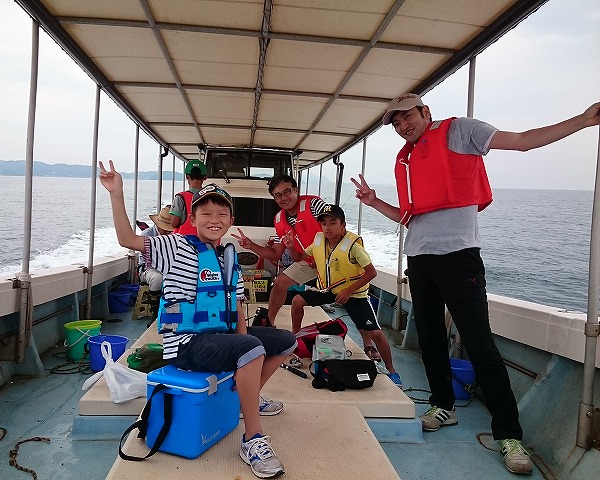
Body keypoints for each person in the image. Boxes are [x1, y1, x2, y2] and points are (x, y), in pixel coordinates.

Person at [351, 93, 600, 475]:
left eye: (407, 117)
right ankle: (443, 405)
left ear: (425, 112)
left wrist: (581, 121)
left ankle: (508, 434)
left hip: (459, 256)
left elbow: (522, 141)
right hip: (419, 258)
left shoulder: (460, 131)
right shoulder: (409, 157)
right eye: (396, 123)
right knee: (431, 338)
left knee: (480, 344)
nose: (403, 126)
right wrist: (373, 202)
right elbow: (409, 216)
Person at [99, 161, 296, 479]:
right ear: (192, 219)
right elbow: (127, 239)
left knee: (286, 341)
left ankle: (244, 397)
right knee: (251, 349)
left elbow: (238, 306)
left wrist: (244, 341)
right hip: (186, 344)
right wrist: (116, 193)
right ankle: (252, 439)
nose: (214, 220)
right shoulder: (175, 246)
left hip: (220, 338)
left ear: (231, 221)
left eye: (221, 214)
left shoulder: (230, 258)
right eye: (206, 213)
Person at [284, 204, 402, 388]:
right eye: (324, 223)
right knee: (297, 301)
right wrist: (291, 246)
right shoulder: (319, 241)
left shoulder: (354, 246)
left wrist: (348, 291)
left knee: (375, 333)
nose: (327, 227)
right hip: (328, 290)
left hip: (354, 294)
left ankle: (392, 370)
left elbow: (371, 272)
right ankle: (295, 339)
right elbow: (299, 258)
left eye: (333, 222)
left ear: (343, 225)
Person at [231, 174, 326, 327]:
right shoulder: (279, 220)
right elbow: (275, 253)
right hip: (308, 261)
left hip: (330, 259)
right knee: (280, 282)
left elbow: (335, 226)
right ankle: (268, 322)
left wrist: (324, 256)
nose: (284, 198)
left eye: (287, 192)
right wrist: (251, 245)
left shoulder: (314, 205)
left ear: (296, 190)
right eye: (278, 195)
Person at [136, 205, 174, 319]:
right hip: (148, 269)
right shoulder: (147, 235)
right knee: (158, 278)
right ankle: (156, 313)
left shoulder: (173, 235)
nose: (167, 231)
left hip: (167, 267)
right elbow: (150, 261)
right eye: (165, 228)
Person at [169, 159, 208, 234]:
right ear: (205, 177)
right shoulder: (211, 197)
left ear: (187, 176)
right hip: (205, 239)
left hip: (184, 239)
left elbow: (174, 223)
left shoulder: (180, 197)